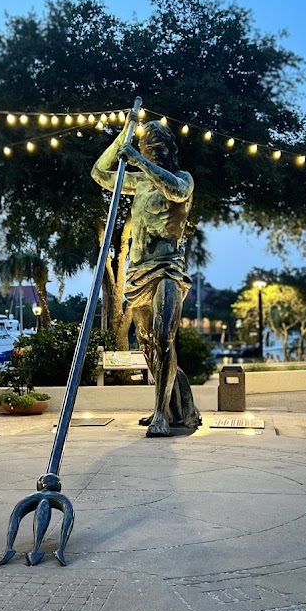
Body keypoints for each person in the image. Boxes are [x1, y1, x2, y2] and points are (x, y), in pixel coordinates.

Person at [92, 118, 201, 437]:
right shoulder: (138, 182)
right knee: (148, 347)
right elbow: (99, 174)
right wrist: (121, 140)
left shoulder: (183, 178)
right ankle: (175, 407)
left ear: (170, 149)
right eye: (145, 148)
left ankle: (160, 416)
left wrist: (137, 159)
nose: (151, 153)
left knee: (164, 338)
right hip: (137, 272)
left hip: (167, 268)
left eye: (156, 148)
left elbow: (176, 192)